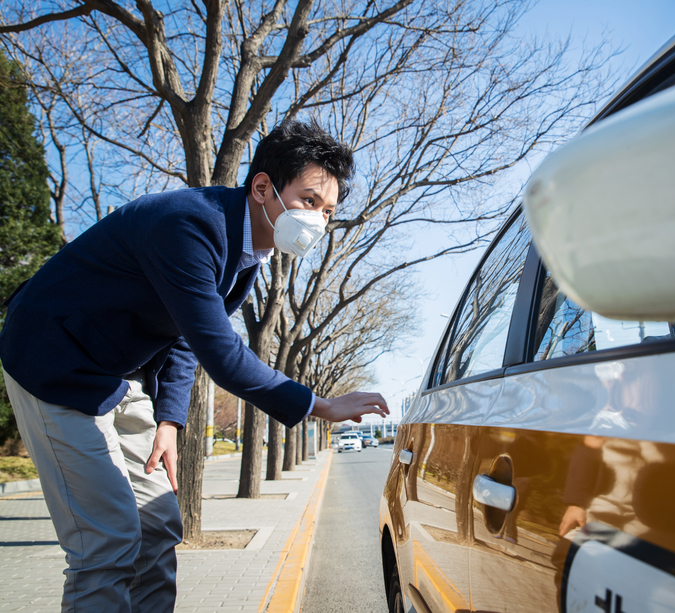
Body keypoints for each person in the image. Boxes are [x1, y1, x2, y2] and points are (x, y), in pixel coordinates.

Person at [0, 119, 388, 612]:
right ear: (263, 187)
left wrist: (167, 420)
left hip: (112, 376)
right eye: (309, 201)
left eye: (329, 211)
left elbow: (183, 339)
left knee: (160, 521)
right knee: (108, 540)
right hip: (51, 361)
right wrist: (321, 406)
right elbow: (222, 355)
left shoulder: (247, 252)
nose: (319, 220)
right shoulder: (191, 225)